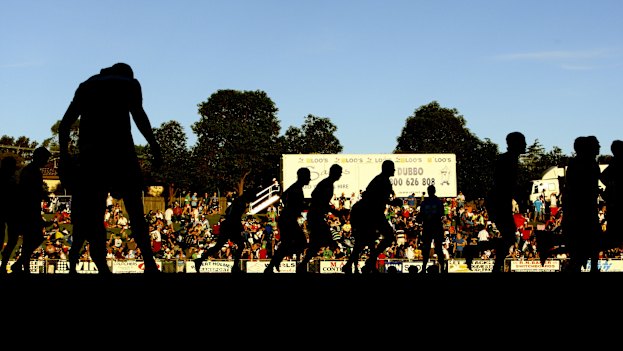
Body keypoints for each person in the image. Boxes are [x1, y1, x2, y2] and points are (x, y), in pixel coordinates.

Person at [58, 62, 163, 274]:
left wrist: (65, 155)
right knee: (135, 210)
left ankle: (102, 266)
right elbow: (139, 116)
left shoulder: (86, 85)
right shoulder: (129, 83)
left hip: (91, 156)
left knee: (95, 214)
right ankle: (150, 263)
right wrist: (154, 146)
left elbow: (65, 124)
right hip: (121, 151)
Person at [342, 160, 402, 274]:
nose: (394, 170)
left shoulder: (381, 180)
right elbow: (376, 199)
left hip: (369, 213)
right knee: (385, 237)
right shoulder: (382, 181)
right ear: (387, 168)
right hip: (370, 213)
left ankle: (360, 264)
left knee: (365, 241)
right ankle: (368, 263)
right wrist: (394, 203)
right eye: (392, 168)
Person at [486, 131, 526, 273]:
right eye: (523, 141)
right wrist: (520, 198)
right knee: (509, 237)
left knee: (508, 237)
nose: (525, 144)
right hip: (499, 201)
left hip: (498, 200)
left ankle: (496, 266)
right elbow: (508, 184)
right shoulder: (509, 160)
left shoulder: (508, 159)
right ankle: (475, 250)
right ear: (515, 144)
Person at [562, 136, 602, 272]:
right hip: (585, 212)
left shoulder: (574, 164)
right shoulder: (590, 164)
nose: (599, 147)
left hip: (576, 212)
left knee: (578, 253)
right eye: (597, 145)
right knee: (592, 242)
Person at [11, 147, 52, 274]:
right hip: (28, 209)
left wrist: (43, 195)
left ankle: (21, 265)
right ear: (39, 157)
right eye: (45, 159)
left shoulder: (32, 170)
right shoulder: (31, 171)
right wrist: (42, 195)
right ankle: (22, 265)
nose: (46, 162)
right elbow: (29, 190)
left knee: (32, 239)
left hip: (30, 209)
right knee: (33, 238)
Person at [296, 164, 342, 273]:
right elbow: (319, 199)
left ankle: (302, 265)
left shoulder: (326, 183)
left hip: (316, 215)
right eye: (339, 173)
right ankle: (336, 250)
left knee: (316, 245)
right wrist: (334, 211)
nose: (340, 175)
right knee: (324, 234)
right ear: (334, 173)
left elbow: (315, 195)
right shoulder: (327, 184)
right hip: (316, 216)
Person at [194, 190, 254, 273]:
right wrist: (240, 228)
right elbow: (236, 217)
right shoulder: (241, 203)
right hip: (231, 226)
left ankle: (200, 260)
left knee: (218, 247)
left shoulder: (237, 201)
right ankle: (235, 267)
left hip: (227, 225)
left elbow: (227, 211)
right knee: (240, 245)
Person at [264, 167, 310, 273]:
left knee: (288, 243)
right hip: (288, 219)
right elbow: (296, 203)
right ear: (303, 177)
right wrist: (296, 207)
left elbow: (284, 196)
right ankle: (282, 263)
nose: (309, 179)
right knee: (301, 242)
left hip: (287, 218)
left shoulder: (295, 187)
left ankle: (273, 264)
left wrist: (290, 207)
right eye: (308, 176)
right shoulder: (297, 188)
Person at [418, 185, 447, 273]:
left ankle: (424, 268)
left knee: (427, 248)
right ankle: (442, 268)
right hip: (436, 226)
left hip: (428, 226)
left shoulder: (424, 202)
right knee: (438, 248)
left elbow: (421, 215)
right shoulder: (438, 202)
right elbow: (442, 213)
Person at [600, 140, 623, 248]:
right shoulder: (617, 163)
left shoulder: (614, 163)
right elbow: (603, 176)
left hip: (613, 202)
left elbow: (603, 176)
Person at [0, 156, 18, 274]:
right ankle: (3, 264)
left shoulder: (12, 180)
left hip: (10, 213)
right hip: (7, 212)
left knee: (12, 239)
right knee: (11, 239)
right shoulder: (9, 180)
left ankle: (3, 264)